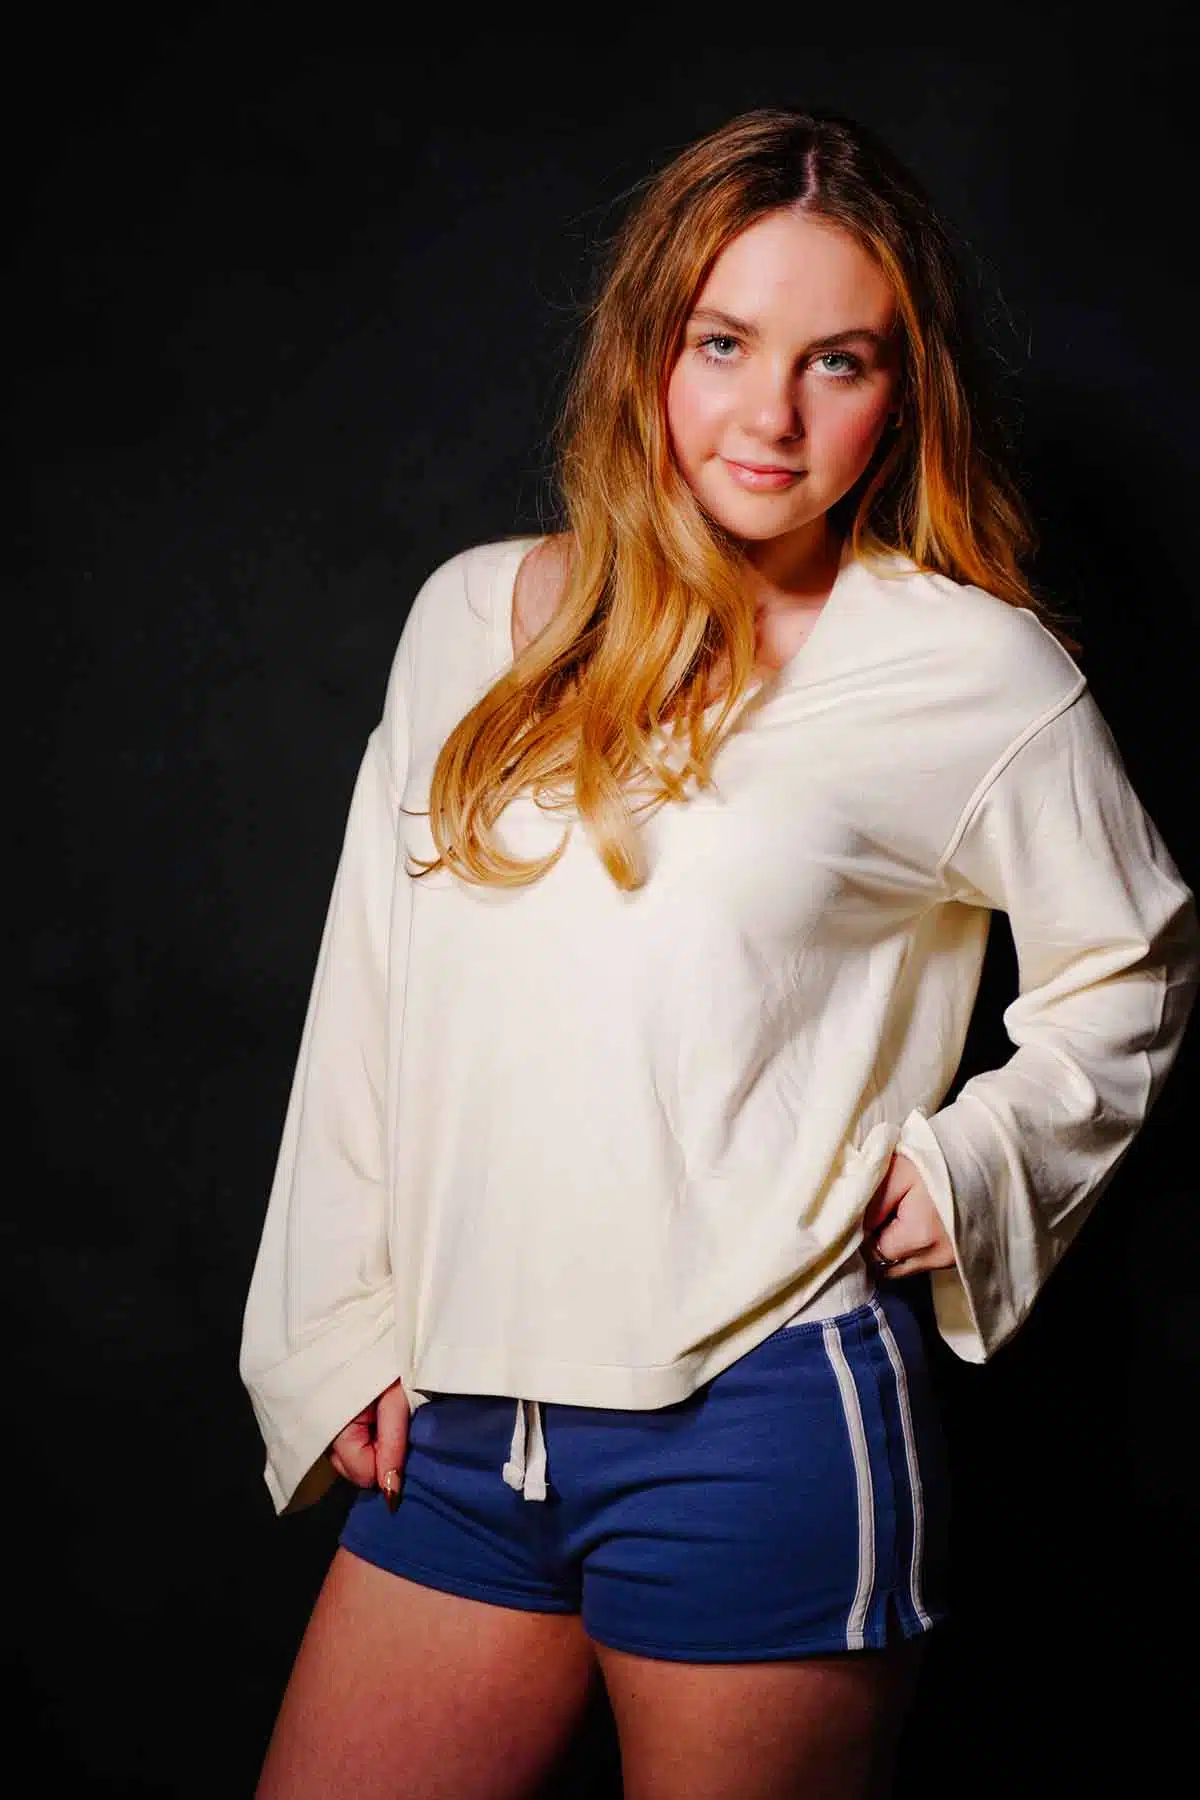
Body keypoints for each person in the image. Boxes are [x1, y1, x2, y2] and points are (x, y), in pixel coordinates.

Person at [240, 106, 1199, 1800]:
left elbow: (1133, 962)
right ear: (648, 353)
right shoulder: (466, 618)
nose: (771, 416)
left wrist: (978, 1162)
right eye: (726, 344)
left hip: (759, 1422)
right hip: (458, 1426)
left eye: (839, 361)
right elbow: (371, 989)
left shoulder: (964, 671)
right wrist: (334, 1328)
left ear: (902, 391)